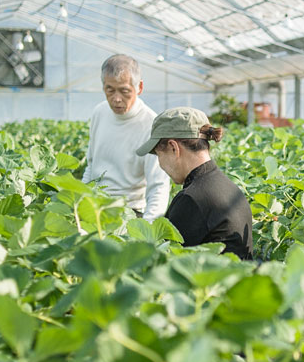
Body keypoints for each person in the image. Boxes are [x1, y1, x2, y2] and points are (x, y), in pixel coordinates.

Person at [136, 107, 253, 260]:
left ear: (173, 148)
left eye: (158, 155)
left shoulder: (192, 199)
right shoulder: (229, 188)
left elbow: (165, 262)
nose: (160, 164)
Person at [81, 54, 170, 220]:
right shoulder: (99, 113)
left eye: (124, 91)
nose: (116, 99)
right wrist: (79, 205)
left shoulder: (152, 124)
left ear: (139, 88)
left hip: (130, 212)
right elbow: (91, 165)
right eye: (110, 90)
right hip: (94, 207)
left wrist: (147, 229)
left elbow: (159, 186)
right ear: (103, 87)